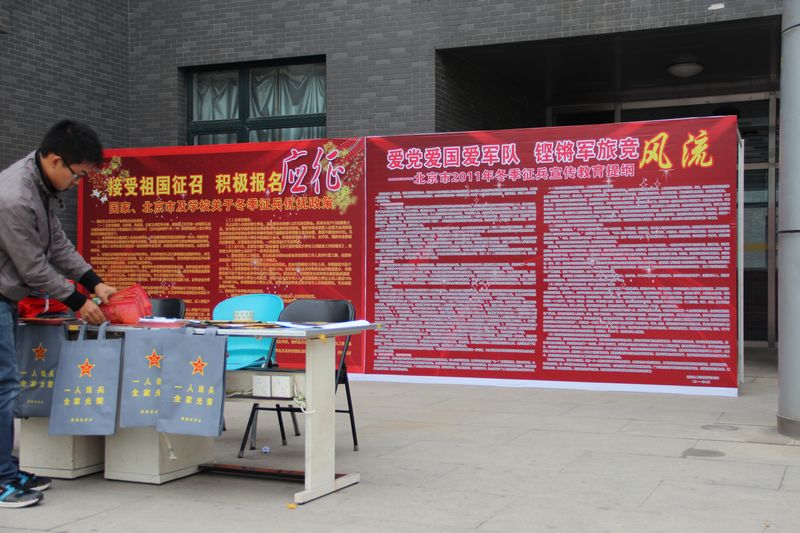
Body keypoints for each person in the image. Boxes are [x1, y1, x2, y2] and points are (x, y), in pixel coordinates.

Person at [0, 120, 117, 508]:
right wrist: (78, 302)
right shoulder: (15, 197)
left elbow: (58, 245)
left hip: (6, 296)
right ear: (55, 161)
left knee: (5, 384)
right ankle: (2, 479)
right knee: (3, 387)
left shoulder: (42, 186)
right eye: (78, 175)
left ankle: (6, 469)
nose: (77, 182)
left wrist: (94, 283)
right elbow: (34, 267)